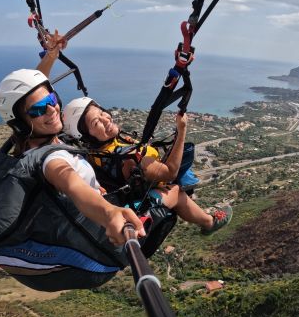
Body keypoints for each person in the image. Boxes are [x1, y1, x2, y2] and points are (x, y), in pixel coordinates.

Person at [0, 58, 145, 292]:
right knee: (167, 194)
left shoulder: (29, 140)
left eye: (52, 100)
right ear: (22, 123)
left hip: (81, 231)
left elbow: (33, 93)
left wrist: (50, 56)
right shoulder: (52, 160)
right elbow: (72, 184)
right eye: (39, 110)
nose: (52, 109)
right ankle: (208, 221)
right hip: (101, 254)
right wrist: (109, 212)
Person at [62, 97, 232, 235]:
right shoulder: (128, 157)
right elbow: (169, 173)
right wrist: (181, 131)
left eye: (102, 113)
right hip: (140, 202)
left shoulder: (98, 151)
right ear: (87, 136)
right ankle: (210, 223)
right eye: (95, 123)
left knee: (182, 179)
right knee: (176, 192)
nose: (105, 120)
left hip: (130, 190)